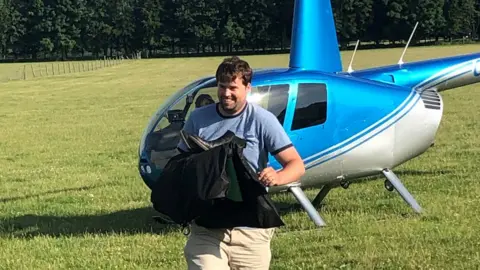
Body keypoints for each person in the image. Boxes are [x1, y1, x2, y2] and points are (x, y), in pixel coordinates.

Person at [178, 56, 305, 270]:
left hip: (250, 229)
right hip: (207, 228)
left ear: (248, 88)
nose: (226, 93)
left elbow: (296, 165)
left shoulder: (262, 120)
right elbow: (179, 163)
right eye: (221, 86)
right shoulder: (198, 119)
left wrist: (277, 176)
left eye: (233, 87)